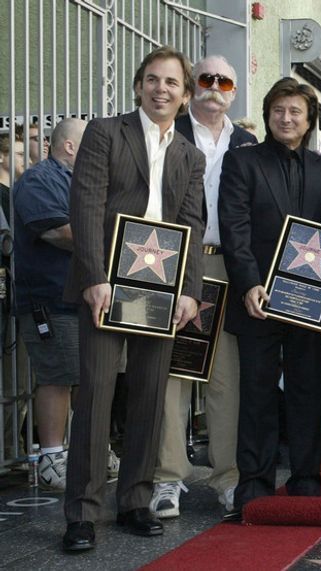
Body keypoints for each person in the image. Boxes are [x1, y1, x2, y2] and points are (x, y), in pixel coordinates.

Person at [62, 45, 205, 552]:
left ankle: (135, 502)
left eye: (171, 82)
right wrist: (93, 276)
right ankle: (81, 512)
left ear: (185, 95)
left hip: (159, 284)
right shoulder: (106, 133)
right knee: (98, 393)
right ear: (139, 85)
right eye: (152, 79)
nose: (160, 88)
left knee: (148, 393)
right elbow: (87, 204)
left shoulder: (191, 155)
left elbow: (192, 223)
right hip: (106, 283)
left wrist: (190, 290)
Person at [218, 78, 321, 519]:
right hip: (257, 299)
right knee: (255, 393)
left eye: (295, 111)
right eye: (278, 110)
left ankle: (306, 480)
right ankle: (254, 485)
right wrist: (249, 283)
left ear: (309, 119)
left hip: (309, 304)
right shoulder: (242, 162)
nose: (285, 118)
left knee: (307, 392)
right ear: (269, 114)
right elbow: (234, 230)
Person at [149, 55, 257, 521]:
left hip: (227, 270)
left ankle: (227, 478)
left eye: (224, 80)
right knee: (170, 374)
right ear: (194, 85)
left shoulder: (248, 142)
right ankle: (167, 478)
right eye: (207, 79)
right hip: (175, 266)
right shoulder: (167, 132)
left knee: (226, 380)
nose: (215, 87)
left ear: (233, 91)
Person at [11, 118, 86, 490]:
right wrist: (109, 236)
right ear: (70, 147)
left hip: (82, 297)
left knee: (83, 376)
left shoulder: (82, 182)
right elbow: (56, 231)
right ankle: (52, 456)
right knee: (57, 376)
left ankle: (83, 448)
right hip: (51, 299)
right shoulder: (39, 180)